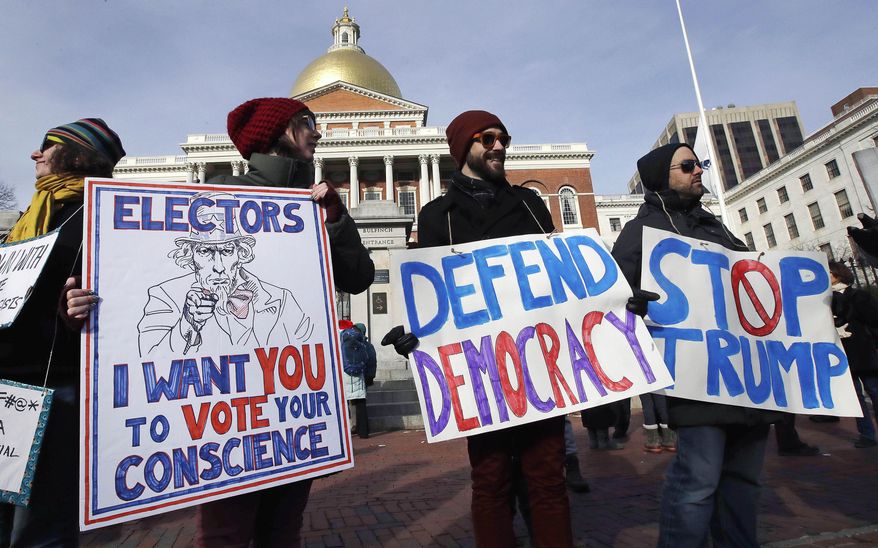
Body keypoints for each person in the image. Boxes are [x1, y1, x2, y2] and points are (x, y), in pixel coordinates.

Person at [194, 97, 374, 548]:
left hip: (294, 396)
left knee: (283, 531)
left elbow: (359, 276)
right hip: (228, 400)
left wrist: (334, 219)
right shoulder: (218, 196)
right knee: (226, 533)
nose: (318, 132)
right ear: (282, 133)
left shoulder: (316, 203)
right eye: (308, 123)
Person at [414, 110, 573, 547]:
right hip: (480, 373)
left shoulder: (529, 204)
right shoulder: (435, 217)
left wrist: (614, 302)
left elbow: (561, 277)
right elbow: (432, 297)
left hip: (538, 363)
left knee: (548, 479)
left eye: (503, 137)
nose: (499, 145)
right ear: (464, 147)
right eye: (488, 138)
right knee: (490, 481)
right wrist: (416, 333)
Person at [612, 143, 782, 547]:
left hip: (748, 374)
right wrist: (632, 299)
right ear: (660, 176)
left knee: (744, 479)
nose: (698, 171)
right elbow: (614, 294)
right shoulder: (643, 230)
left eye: (699, 164)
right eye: (687, 165)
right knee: (698, 482)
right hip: (697, 377)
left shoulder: (716, 226)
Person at [0, 118, 124, 547]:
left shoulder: (101, 216)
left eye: (46, 147)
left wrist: (81, 314)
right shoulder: (32, 215)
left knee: (38, 528)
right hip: (9, 380)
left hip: (57, 386)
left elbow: (124, 302)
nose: (35, 154)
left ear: (78, 156)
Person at [138, 191, 313, 356]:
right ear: (191, 256)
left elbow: (313, 353)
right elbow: (147, 359)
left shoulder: (281, 299)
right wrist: (187, 323)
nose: (218, 266)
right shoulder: (164, 295)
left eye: (227, 251)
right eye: (205, 251)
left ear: (240, 253)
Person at [829, 260, 878, 448]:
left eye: (830, 273)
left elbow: (873, 319)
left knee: (873, 390)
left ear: (838, 275)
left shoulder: (859, 296)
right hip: (842, 353)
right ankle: (866, 433)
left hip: (862, 350)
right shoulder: (823, 299)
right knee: (856, 396)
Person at [340, 320, 374, 439]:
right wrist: (370, 376)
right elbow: (370, 360)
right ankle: (363, 431)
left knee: (345, 405)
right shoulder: (365, 344)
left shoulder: (341, 341)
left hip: (345, 376)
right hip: (359, 375)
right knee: (361, 404)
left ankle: (345, 431)